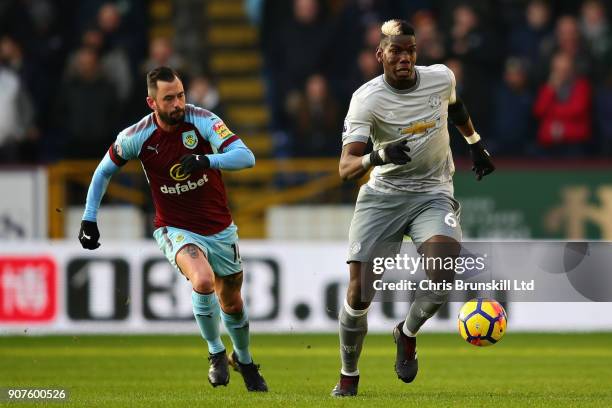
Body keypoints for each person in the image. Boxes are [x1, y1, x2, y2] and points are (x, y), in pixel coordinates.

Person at [78, 66, 267, 392]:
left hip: (220, 228)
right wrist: (88, 217)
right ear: (152, 102)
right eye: (169, 98)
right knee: (203, 280)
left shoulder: (203, 120)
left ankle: (246, 360)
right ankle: (216, 353)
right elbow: (102, 171)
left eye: (180, 95)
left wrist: (208, 160)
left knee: (232, 301)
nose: (179, 103)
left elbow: (246, 157)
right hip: (175, 228)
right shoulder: (136, 136)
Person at [332, 19, 494, 397]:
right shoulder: (366, 99)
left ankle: (406, 334)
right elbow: (345, 168)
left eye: (410, 50)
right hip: (383, 196)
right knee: (359, 294)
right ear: (380, 55)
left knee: (442, 268)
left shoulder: (440, 78)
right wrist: (378, 154)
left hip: (432, 192)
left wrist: (475, 142)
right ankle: (348, 374)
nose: (404, 57)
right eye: (396, 51)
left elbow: (455, 107)